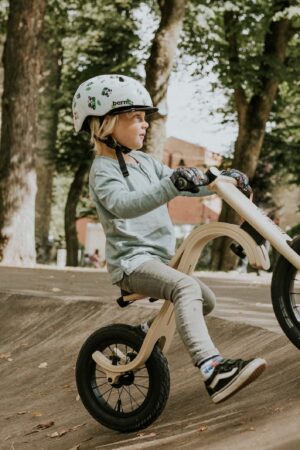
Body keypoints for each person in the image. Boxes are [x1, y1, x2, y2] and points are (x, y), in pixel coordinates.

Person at [72, 74, 266, 404]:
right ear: (106, 123)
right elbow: (124, 205)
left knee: (205, 299)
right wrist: (171, 184)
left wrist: (220, 179)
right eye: (135, 118)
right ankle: (213, 370)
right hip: (132, 265)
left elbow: (185, 184)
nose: (144, 125)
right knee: (186, 288)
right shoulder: (102, 170)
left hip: (159, 259)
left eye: (145, 118)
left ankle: (147, 336)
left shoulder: (145, 161)